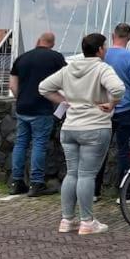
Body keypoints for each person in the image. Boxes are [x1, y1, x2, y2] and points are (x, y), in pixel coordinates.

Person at [39, 33, 124, 235]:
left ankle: (67, 220)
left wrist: (63, 101)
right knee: (87, 175)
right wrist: (111, 103)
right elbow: (119, 88)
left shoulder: (69, 69)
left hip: (70, 127)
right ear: (101, 50)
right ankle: (87, 221)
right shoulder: (102, 68)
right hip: (94, 126)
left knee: (72, 174)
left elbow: (43, 87)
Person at [8, 31, 66, 197]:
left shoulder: (22, 58)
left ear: (38, 41)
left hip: (23, 107)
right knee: (39, 144)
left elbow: (12, 85)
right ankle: (36, 184)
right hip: (42, 108)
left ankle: (16, 182)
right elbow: (68, 79)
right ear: (52, 44)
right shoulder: (56, 58)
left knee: (20, 144)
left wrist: (23, 98)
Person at [94, 23, 130, 203]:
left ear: (112, 35)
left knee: (100, 150)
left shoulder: (103, 56)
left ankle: (94, 191)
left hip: (103, 108)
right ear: (129, 37)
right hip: (126, 109)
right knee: (125, 151)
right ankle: (126, 192)